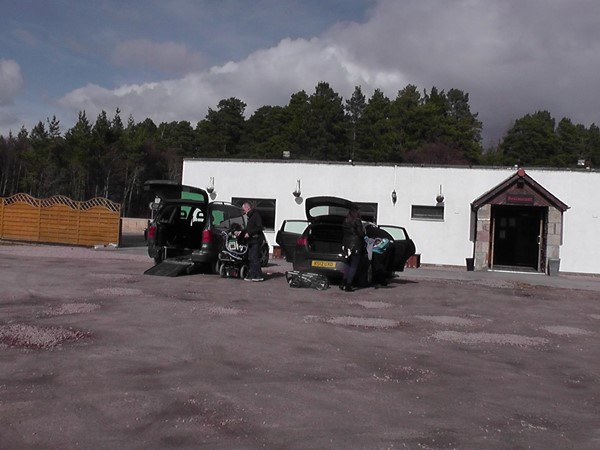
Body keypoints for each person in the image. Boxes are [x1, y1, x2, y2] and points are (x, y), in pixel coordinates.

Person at [340, 207, 365, 292]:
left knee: (348, 264)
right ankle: (348, 285)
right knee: (354, 265)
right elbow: (360, 234)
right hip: (355, 245)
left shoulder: (346, 221)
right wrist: (364, 232)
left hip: (346, 245)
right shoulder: (357, 221)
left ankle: (342, 283)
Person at [241, 201, 265, 282]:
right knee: (250, 257)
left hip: (256, 239)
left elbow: (259, 227)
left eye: (243, 209)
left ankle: (259, 275)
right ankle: (252, 274)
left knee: (254, 257)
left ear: (248, 208)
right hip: (251, 240)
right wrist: (241, 232)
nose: (243, 211)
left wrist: (249, 233)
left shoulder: (255, 215)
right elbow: (249, 229)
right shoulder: (249, 217)